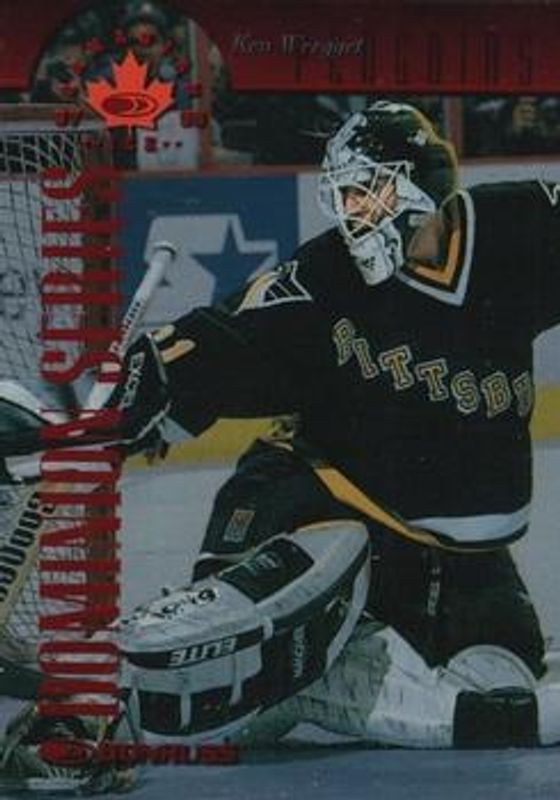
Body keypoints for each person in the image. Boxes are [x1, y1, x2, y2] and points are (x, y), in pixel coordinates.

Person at [2, 100, 560, 792]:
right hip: (309, 504)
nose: (351, 213)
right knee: (296, 598)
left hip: (457, 564)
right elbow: (225, 333)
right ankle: (83, 704)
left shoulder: (518, 229)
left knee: (502, 692)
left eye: (365, 191)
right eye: (343, 195)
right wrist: (150, 381)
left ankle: (301, 678)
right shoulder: (326, 275)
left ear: (418, 183)